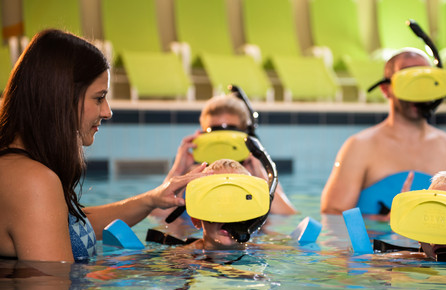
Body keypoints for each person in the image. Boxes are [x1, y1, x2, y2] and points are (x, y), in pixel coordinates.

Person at [0, 29, 207, 262]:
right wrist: (164, 264)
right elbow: (59, 289)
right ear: (61, 98)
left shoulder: (24, 169)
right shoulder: (33, 181)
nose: (107, 111)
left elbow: (70, 225)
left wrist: (152, 199)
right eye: (99, 98)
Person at [321, 49, 446, 219]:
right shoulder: (359, 146)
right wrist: (384, 221)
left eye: (423, 81)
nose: (417, 91)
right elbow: (332, 214)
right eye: (408, 81)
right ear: (386, 89)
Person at [152, 94, 297, 219]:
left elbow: (287, 215)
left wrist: (259, 172)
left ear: (245, 136)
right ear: (202, 134)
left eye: (230, 132)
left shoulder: (257, 176)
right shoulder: (191, 176)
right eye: (213, 132)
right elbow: (157, 217)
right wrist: (178, 170)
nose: (221, 141)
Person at [183, 159, 264, 250]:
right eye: (218, 200)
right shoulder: (180, 259)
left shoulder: (270, 253)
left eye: (237, 200)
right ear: (196, 218)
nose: (228, 212)